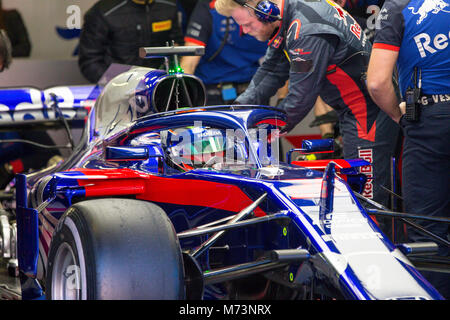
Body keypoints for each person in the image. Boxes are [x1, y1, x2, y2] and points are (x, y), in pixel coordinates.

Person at [214, 0, 400, 212]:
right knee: (362, 196)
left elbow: (301, 97)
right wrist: (236, 111)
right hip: (356, 111)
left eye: (246, 24)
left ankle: (376, 245)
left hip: (367, 115)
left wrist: (263, 129)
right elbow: (272, 70)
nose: (244, 31)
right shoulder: (292, 13)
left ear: (265, 11)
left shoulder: (306, 30)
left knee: (366, 203)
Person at [367, 0, 450, 298]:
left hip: (430, 121)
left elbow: (377, 82)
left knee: (429, 232)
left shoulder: (399, 7)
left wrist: (399, 117)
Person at [180, 0, 268, 105]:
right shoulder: (209, 7)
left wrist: (282, 100)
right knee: (199, 122)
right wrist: (182, 103)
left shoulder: (267, 7)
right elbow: (189, 63)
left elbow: (282, 58)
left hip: (256, 92)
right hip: (214, 95)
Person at [78, 0, 183, 84]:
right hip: (118, 91)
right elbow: (89, 62)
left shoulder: (168, 5)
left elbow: (177, 47)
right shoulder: (103, 12)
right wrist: (120, 83)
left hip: (160, 87)